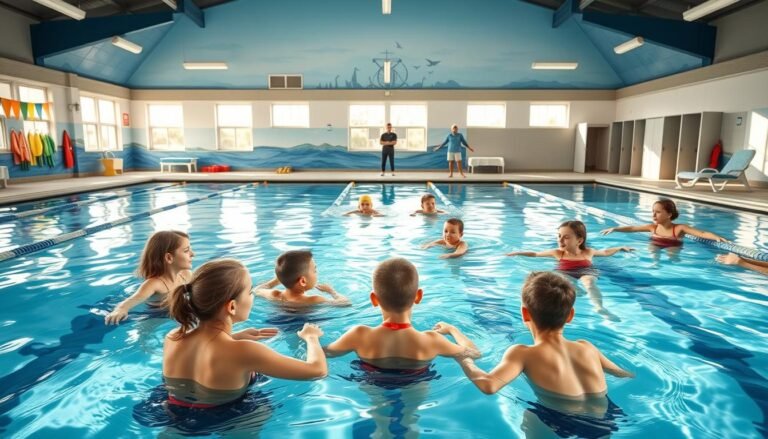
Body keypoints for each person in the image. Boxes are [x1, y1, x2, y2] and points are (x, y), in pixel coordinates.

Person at [163, 259, 327, 408]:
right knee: (264, 408)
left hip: (172, 409)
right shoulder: (246, 351)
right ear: (232, 306)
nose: (252, 296)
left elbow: (206, 355)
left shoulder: (173, 337)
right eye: (249, 292)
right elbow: (317, 371)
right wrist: (311, 338)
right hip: (228, 417)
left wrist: (233, 338)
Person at [454, 271, 633, 397]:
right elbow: (621, 373)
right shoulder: (587, 347)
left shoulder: (522, 353)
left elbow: (489, 385)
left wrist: (464, 359)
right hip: (607, 418)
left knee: (528, 417)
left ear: (525, 314)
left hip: (559, 420)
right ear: (570, 315)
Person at [324, 257, 480, 371]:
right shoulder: (432, 340)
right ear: (418, 296)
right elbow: (475, 353)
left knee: (378, 411)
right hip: (417, 379)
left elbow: (324, 353)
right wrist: (453, 329)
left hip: (372, 379)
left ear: (374, 299)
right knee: (410, 414)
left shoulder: (359, 335)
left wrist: (310, 337)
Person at [507, 221, 632, 321]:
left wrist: (620, 247)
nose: (560, 240)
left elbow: (605, 252)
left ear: (579, 240)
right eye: (559, 236)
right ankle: (576, 290)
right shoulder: (557, 253)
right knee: (562, 277)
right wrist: (519, 252)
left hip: (586, 271)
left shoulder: (588, 252)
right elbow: (535, 254)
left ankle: (599, 307)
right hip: (566, 273)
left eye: (566, 237)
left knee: (589, 283)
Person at [105, 230, 194, 325]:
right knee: (144, 334)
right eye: (186, 251)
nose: (193, 254)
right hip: (155, 315)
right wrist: (120, 310)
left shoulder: (186, 275)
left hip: (176, 311)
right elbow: (132, 300)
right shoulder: (154, 284)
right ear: (169, 258)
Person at [601, 198, 727, 246]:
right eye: (653, 211)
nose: (653, 215)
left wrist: (715, 237)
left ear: (669, 215)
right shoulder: (652, 227)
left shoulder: (679, 229)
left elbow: (702, 233)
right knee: (653, 252)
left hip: (673, 245)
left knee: (673, 259)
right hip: (656, 243)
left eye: (658, 212)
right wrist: (615, 228)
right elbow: (633, 228)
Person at [254, 250, 351, 306]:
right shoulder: (314, 300)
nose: (317, 273)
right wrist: (331, 291)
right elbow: (345, 303)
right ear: (303, 281)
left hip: (278, 321)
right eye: (314, 270)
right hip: (304, 324)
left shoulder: (274, 295)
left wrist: (276, 281)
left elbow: (256, 290)